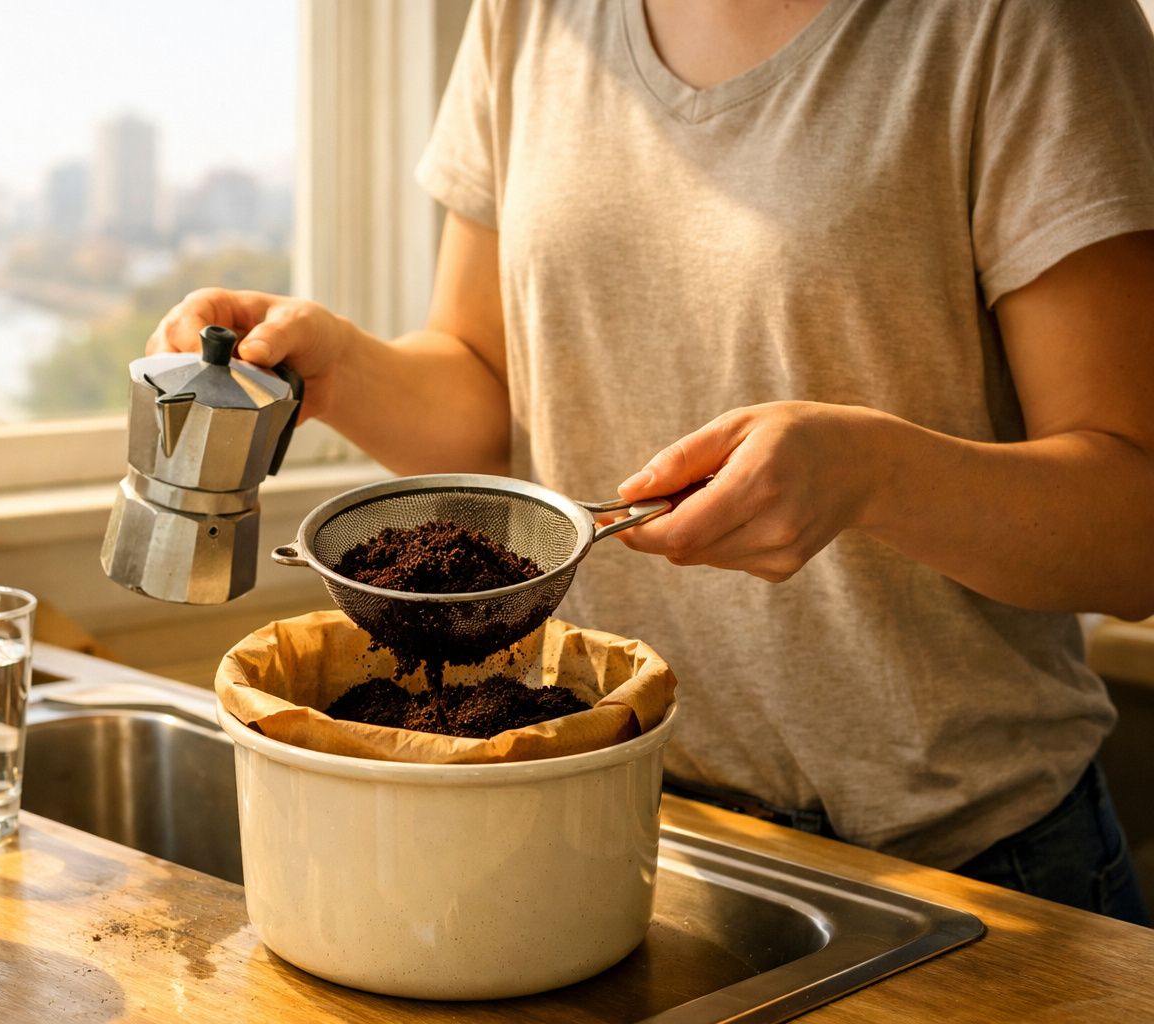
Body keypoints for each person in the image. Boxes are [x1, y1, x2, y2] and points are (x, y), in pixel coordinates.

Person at [150, 0, 1154, 923]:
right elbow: (489, 393)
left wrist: (871, 473)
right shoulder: (535, 15)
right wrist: (343, 368)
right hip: (621, 823)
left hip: (968, 870)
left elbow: (1134, 529)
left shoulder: (1026, 25)